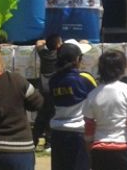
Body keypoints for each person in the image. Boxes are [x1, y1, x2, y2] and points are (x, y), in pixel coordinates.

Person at [83, 50, 127, 170]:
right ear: (122, 68)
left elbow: (88, 127)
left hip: (98, 150)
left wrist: (90, 151)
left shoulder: (92, 94)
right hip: (123, 148)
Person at [49, 40, 96, 170]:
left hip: (57, 133)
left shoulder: (53, 80)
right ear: (77, 59)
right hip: (79, 135)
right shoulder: (85, 78)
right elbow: (97, 100)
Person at [33, 33, 62, 152]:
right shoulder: (59, 55)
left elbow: (38, 44)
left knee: (41, 117)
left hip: (43, 91)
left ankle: (34, 141)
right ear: (58, 45)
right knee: (52, 116)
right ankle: (49, 143)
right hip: (54, 92)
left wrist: (46, 42)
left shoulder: (43, 54)